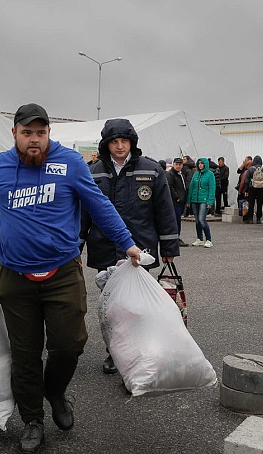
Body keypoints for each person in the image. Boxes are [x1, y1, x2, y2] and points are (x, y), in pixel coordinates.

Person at [0, 103, 142, 454]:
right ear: (14, 133)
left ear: (49, 132)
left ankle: (55, 390)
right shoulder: (2, 166)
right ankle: (33, 420)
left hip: (62, 272)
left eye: (41, 132)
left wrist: (128, 244)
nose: (35, 140)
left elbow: (98, 204)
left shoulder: (71, 163)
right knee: (24, 354)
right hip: (14, 277)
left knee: (70, 343)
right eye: (27, 133)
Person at [81, 118, 179, 374]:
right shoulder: (93, 172)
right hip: (104, 247)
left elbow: (164, 211)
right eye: (114, 141)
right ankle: (114, 352)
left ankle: (138, 351)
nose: (120, 146)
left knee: (137, 306)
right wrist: (75, 248)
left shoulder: (152, 170)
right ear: (106, 144)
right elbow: (82, 213)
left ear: (132, 142)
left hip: (139, 249)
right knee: (111, 306)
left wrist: (169, 249)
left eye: (124, 141)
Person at [187, 158, 215, 247]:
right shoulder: (196, 174)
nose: (200, 165)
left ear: (205, 164)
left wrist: (210, 202)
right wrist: (189, 200)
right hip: (195, 199)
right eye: (199, 163)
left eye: (202, 163)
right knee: (197, 221)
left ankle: (208, 239)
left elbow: (212, 189)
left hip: (204, 200)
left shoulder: (210, 175)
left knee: (202, 219)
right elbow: (191, 187)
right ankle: (199, 238)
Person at [166, 157, 189, 247]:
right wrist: (177, 197)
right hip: (174, 202)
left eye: (180, 164)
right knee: (175, 221)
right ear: (173, 164)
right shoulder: (170, 174)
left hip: (181, 201)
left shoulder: (181, 174)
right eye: (177, 164)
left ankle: (176, 237)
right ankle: (175, 238)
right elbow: (169, 187)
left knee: (178, 220)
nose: (178, 166)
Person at [244, 155, 263, 224]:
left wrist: (246, 190)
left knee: (251, 203)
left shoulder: (251, 169)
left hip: (252, 188)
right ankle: (258, 219)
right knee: (259, 204)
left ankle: (250, 219)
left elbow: (246, 180)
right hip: (261, 188)